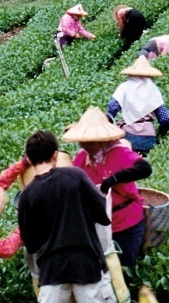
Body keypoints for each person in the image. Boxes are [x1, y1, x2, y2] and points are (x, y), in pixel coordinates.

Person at [17, 130, 122, 303]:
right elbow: (101, 213)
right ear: (55, 155)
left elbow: (30, 242)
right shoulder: (75, 176)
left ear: (29, 159)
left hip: (52, 268)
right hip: (86, 261)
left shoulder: (28, 195)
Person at [66, 108, 153, 270]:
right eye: (83, 140)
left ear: (102, 139)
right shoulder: (80, 159)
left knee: (124, 269)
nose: (86, 145)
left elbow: (144, 169)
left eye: (91, 141)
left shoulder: (119, 153)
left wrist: (112, 180)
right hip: (98, 226)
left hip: (127, 222)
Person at [106, 56, 169, 154]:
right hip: (148, 136)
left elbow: (112, 109)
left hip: (129, 134)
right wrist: (161, 131)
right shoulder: (152, 89)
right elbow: (165, 119)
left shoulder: (124, 87)